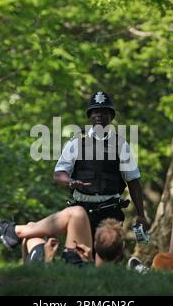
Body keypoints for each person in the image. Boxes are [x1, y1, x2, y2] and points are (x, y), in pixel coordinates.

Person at [53, 91, 149, 240]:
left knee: (107, 259)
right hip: (81, 210)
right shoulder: (77, 141)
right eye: (95, 111)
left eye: (104, 112)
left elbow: (133, 181)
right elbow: (59, 173)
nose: (99, 115)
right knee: (80, 257)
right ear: (90, 116)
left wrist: (141, 214)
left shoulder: (120, 144)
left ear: (111, 117)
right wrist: (70, 182)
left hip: (111, 212)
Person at [0, 206, 124, 267]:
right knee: (32, 229)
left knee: (31, 234)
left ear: (94, 244)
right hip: (83, 267)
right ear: (120, 252)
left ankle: (16, 232)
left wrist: (48, 259)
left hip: (44, 275)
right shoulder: (87, 266)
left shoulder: (78, 264)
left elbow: (50, 285)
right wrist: (88, 262)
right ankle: (16, 233)